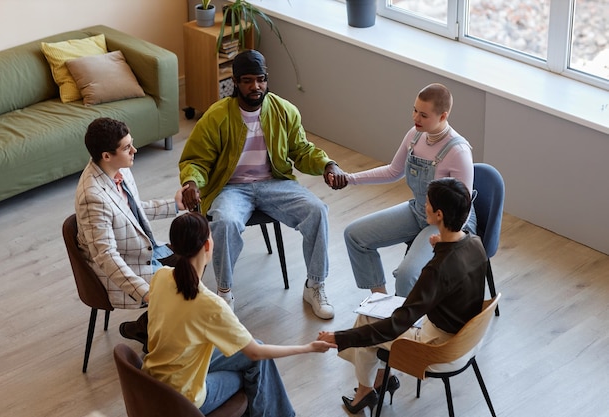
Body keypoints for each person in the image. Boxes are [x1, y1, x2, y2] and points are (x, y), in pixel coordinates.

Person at [178, 49, 347, 319]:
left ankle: (314, 285)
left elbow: (302, 151)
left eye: (260, 79)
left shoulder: (284, 110)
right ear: (235, 82)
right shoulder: (216, 116)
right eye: (247, 80)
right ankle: (225, 291)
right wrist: (191, 182)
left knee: (317, 211)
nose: (255, 86)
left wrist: (328, 164)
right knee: (224, 222)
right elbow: (196, 160)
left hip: (274, 182)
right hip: (231, 187)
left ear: (267, 79)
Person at [317, 178, 488, 414]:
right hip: (468, 338)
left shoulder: (436, 269)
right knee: (374, 316)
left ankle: (367, 390)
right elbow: (456, 268)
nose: (423, 206)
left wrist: (340, 337)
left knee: (367, 318)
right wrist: (441, 245)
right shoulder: (476, 244)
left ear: (438, 214)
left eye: (427, 203)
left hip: (439, 346)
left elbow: (396, 325)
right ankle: (380, 381)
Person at [143, 212, 336, 417]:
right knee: (248, 371)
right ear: (207, 246)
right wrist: (307, 347)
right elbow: (255, 354)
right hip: (183, 401)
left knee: (256, 352)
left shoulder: (161, 276)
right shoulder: (210, 305)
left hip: (153, 381)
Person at [332, 83, 476, 297]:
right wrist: (350, 179)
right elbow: (393, 171)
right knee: (354, 236)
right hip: (419, 210)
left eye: (424, 115)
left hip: (446, 223)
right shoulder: (415, 135)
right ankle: (379, 304)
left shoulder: (458, 152)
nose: (416, 118)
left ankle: (404, 325)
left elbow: (462, 209)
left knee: (407, 275)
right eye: (415, 110)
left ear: (443, 116)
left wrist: (445, 239)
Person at [75, 117, 187, 352]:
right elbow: (106, 257)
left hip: (141, 250)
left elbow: (133, 209)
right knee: (181, 286)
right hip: (122, 266)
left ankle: (147, 327)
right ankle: (160, 346)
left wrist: (174, 205)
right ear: (106, 155)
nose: (134, 150)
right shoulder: (92, 196)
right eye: (127, 147)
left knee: (194, 257)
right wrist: (145, 294)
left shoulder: (117, 169)